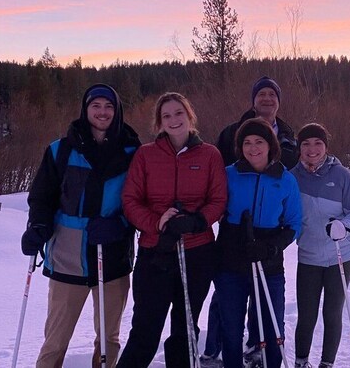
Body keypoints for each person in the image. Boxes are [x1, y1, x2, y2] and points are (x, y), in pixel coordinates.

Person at [21, 83, 141, 368]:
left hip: (112, 256)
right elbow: (42, 197)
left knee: (108, 338)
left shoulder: (132, 152)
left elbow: (140, 200)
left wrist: (121, 223)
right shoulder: (60, 150)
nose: (102, 112)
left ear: (117, 111)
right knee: (55, 339)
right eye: (96, 105)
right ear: (86, 109)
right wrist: (37, 226)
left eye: (109, 106)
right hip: (68, 257)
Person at [117, 92, 227, 368]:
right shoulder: (146, 155)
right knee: (145, 329)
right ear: (159, 123)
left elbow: (218, 199)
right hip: (156, 252)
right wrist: (158, 221)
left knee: (185, 330)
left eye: (179, 113)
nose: (174, 120)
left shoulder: (209, 154)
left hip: (197, 252)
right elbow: (130, 201)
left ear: (189, 116)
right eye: (166, 115)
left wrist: (197, 220)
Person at [203, 76, 299, 366]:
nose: (253, 148)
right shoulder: (229, 174)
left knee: (271, 328)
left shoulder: (285, 180)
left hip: (269, 265)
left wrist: (271, 247)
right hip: (231, 261)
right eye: (247, 142)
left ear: (271, 145)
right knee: (231, 328)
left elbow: (294, 223)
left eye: (260, 142)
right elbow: (213, 205)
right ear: (239, 146)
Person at [291, 123, 350, 368]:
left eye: (318, 143)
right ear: (299, 147)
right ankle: (301, 361)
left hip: (340, 256)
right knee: (307, 315)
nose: (312, 149)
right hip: (308, 256)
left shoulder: (341, 175)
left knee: (332, 314)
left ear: (326, 147)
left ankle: (327, 363)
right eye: (306, 144)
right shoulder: (292, 178)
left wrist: (344, 226)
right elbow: (288, 215)